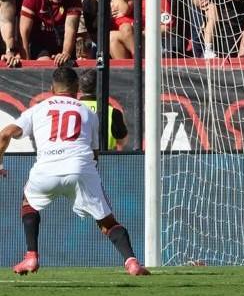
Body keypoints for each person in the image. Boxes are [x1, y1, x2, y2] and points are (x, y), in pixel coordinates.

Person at [0, 66, 149, 276]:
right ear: (76, 88)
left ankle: (31, 256)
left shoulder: (38, 109)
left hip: (46, 169)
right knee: (107, 222)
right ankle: (132, 262)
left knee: (28, 203)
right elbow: (94, 153)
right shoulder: (89, 112)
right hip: (80, 169)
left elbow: (5, 134)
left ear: (52, 88)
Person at [77, 69, 128, 151]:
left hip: (80, 158)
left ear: (79, 88)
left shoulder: (71, 108)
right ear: (101, 86)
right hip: (105, 159)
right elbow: (122, 142)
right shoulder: (113, 112)